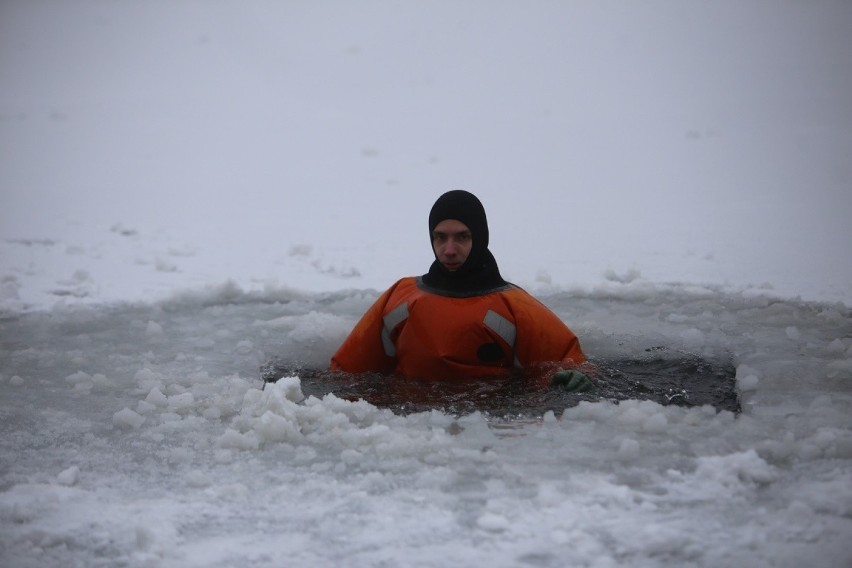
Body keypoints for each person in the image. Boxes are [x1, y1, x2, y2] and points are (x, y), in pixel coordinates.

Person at [329, 190, 593, 392]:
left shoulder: (513, 307)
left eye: (462, 237)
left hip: (490, 427)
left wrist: (569, 379)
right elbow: (345, 372)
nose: (450, 249)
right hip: (408, 432)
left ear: (479, 238)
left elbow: (569, 367)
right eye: (440, 237)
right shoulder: (401, 298)